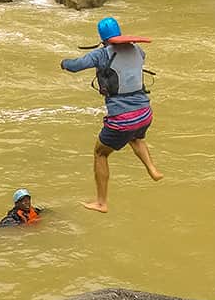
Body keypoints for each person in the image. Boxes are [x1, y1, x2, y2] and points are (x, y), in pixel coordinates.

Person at [61, 16, 163, 213]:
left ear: (102, 37)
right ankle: (152, 169)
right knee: (136, 138)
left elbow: (75, 66)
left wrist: (64, 63)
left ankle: (101, 202)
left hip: (122, 119)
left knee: (100, 153)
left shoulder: (101, 54)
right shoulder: (137, 50)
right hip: (144, 114)